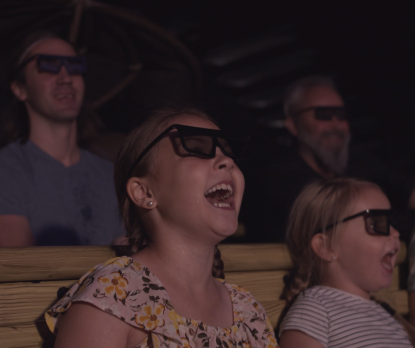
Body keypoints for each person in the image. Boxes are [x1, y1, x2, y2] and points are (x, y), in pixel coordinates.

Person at [45, 107, 278, 348]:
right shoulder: (114, 295)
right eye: (197, 148)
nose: (227, 161)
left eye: (228, 153)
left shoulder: (247, 308)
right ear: (144, 192)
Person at [240, 75, 415, 243]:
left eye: (341, 114)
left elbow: (404, 187)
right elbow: (342, 223)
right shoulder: (277, 177)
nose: (335, 123)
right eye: (323, 114)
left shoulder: (362, 163)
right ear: (293, 125)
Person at [0, 32, 123, 246]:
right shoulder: (7, 169)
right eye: (48, 65)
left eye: (75, 65)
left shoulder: (111, 174)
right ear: (20, 89)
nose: (65, 77)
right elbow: (18, 266)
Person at [277, 177, 412, 348]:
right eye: (377, 222)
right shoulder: (315, 309)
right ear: (326, 246)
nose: (395, 233)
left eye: (391, 221)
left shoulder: (386, 315)